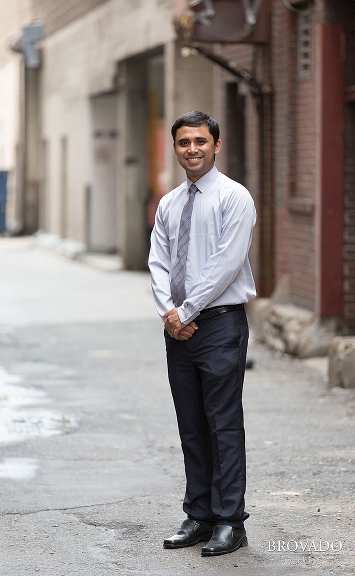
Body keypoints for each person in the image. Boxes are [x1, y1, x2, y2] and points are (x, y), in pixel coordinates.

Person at [148, 111, 256, 557]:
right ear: (175, 147)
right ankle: (199, 514)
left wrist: (187, 310)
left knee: (223, 425)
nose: (192, 149)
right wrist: (169, 313)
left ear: (216, 145)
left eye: (200, 141)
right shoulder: (170, 203)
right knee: (191, 425)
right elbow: (157, 260)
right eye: (183, 142)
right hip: (179, 328)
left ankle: (230, 521)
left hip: (219, 324)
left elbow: (225, 264)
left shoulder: (235, 198)